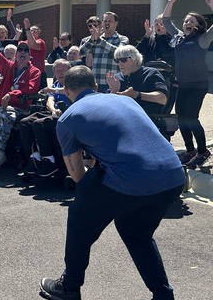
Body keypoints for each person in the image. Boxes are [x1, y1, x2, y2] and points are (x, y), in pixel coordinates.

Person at [39, 65, 185, 300]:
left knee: (79, 219)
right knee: (136, 233)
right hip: (173, 175)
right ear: (96, 86)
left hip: (130, 176)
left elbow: (77, 175)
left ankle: (69, 287)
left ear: (66, 91)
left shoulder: (68, 118)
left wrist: (95, 191)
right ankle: (163, 294)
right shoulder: (126, 101)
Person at [162, 0, 213, 167]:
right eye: (185, 21)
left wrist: (211, 4)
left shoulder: (203, 39)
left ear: (199, 25)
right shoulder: (178, 38)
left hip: (197, 85)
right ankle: (190, 150)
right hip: (182, 84)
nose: (188, 23)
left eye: (192, 21)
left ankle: (202, 151)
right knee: (181, 118)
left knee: (191, 117)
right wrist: (170, 3)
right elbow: (167, 21)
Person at [20, 59, 71, 178]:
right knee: (25, 122)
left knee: (39, 124)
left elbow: (67, 92)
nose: (60, 73)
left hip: (69, 113)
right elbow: (50, 100)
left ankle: (50, 161)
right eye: (57, 70)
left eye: (63, 70)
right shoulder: (56, 83)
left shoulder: (74, 83)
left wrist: (57, 109)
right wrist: (53, 110)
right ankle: (35, 157)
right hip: (54, 113)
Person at [105, 45, 168, 115]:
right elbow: (107, 106)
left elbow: (162, 98)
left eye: (123, 60)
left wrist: (137, 95)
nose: (119, 64)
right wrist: (113, 91)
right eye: (117, 60)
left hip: (147, 119)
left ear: (134, 60)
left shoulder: (151, 74)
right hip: (122, 120)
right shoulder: (116, 78)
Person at [78, 14, 128, 93]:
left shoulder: (122, 39)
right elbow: (80, 53)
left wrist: (99, 41)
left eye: (110, 21)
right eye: (105, 21)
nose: (107, 23)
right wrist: (91, 40)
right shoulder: (95, 38)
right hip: (96, 83)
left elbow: (119, 52)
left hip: (113, 83)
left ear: (116, 23)